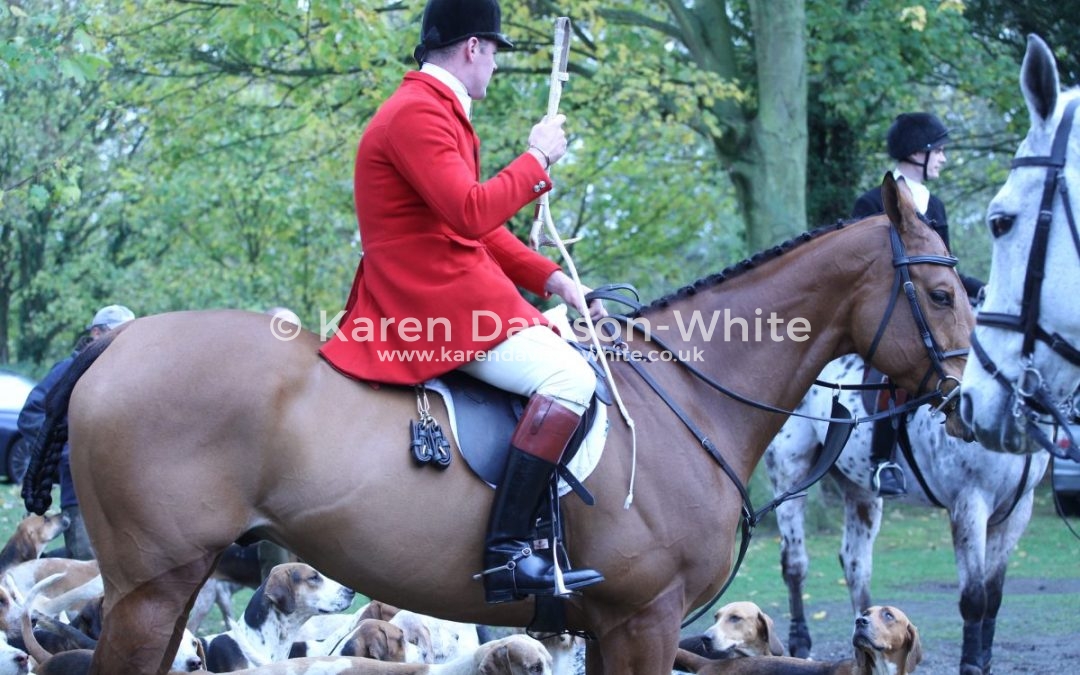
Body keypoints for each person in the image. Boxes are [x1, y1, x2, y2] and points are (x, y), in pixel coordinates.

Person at [319, 0, 604, 604]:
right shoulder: (418, 113)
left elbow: (469, 229)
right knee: (570, 378)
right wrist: (537, 158)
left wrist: (553, 279)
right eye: (496, 51)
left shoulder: (435, 108)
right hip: (436, 306)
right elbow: (472, 212)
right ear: (473, 47)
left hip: (451, 290)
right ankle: (506, 553)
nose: (496, 65)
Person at [851, 112, 982, 497]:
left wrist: (979, 288)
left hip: (927, 305)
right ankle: (882, 460)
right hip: (890, 311)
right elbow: (864, 266)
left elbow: (945, 266)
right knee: (896, 366)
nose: (943, 158)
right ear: (916, 153)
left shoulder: (935, 204)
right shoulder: (872, 201)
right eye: (938, 151)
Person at [17, 304, 135, 559]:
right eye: (118, 335)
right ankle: (26, 573)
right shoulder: (69, 370)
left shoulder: (119, 375)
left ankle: (35, 570)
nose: (124, 343)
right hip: (80, 489)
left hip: (114, 489)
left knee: (106, 563)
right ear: (96, 333)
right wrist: (70, 451)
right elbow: (30, 416)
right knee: (83, 558)